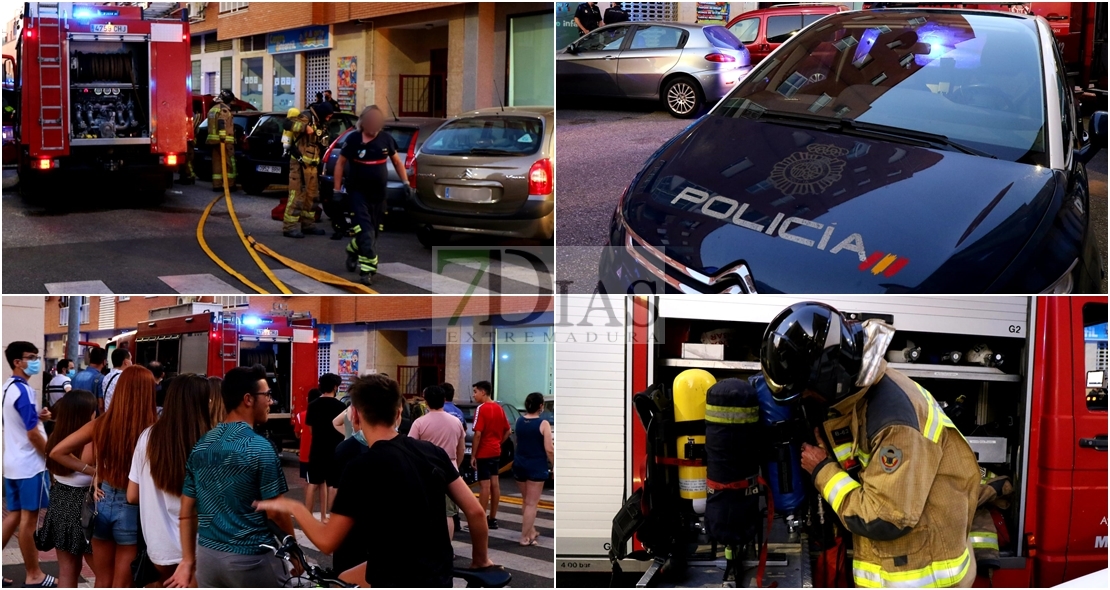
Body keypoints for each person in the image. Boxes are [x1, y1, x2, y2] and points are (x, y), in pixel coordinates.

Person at [763, 302, 980, 589]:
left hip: (923, 577)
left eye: (807, 392)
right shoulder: (864, 391)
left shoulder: (895, 424)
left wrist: (823, 471)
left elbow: (883, 518)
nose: (806, 399)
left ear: (831, 380)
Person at [254, 374, 495, 588]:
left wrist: (294, 508)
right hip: (437, 577)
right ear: (399, 413)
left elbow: (327, 542)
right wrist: (480, 560)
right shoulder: (432, 452)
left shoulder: (361, 466)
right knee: (345, 579)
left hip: (393, 579)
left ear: (355, 415)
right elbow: (475, 512)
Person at [167, 366, 298, 588]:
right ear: (248, 399)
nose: (271, 401)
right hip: (251, 559)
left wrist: (189, 560)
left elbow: (186, 512)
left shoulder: (202, 444)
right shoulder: (260, 447)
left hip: (207, 557)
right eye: (266, 395)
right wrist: (294, 550)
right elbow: (276, 511)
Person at [51, 365, 158, 589]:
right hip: (131, 506)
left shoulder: (102, 423)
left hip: (101, 503)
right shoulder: (152, 429)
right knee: (122, 582)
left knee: (102, 579)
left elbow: (57, 452)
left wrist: (93, 472)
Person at [127, 375, 213, 586]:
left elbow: (132, 495)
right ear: (202, 403)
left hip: (158, 549)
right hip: (199, 548)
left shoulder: (147, 437)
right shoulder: (210, 442)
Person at [334, 105, 412, 286]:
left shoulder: (386, 139)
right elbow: (340, 164)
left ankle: (353, 250)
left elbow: (397, 162)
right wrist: (336, 191)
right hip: (357, 194)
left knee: (373, 233)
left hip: (378, 195)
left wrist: (406, 183)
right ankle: (367, 271)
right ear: (363, 121)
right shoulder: (353, 140)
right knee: (366, 232)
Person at [2, 341, 57, 588]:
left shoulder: (7, 388)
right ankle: (34, 573)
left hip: (12, 463)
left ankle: (33, 572)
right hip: (29, 466)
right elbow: (33, 434)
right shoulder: (23, 391)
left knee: (14, 516)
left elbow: (15, 422)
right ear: (18, 362)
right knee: (29, 520)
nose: (36, 361)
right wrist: (52, 456)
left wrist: (39, 416)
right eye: (31, 357)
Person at [39, 389, 98, 588]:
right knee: (102, 571)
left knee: (67, 571)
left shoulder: (56, 435)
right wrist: (93, 471)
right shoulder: (90, 441)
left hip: (60, 502)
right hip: (84, 506)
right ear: (86, 413)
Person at [409, 386, 466, 541]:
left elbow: (411, 449)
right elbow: (460, 449)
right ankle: (448, 549)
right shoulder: (456, 422)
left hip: (424, 472)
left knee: (425, 511)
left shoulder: (419, 423)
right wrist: (455, 466)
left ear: (426, 401)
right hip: (450, 471)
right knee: (448, 513)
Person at [281, 102, 333, 238]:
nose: (328, 119)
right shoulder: (306, 116)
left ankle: (308, 225)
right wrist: (304, 127)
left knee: (312, 196)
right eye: (327, 116)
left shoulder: (320, 122)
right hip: (299, 166)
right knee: (297, 196)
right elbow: (286, 124)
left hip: (313, 166)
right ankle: (289, 227)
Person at [513, 392, 553, 547]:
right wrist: (554, 465)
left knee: (526, 501)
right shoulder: (543, 424)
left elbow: (518, 442)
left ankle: (531, 531)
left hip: (519, 464)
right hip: (536, 466)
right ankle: (524, 537)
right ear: (541, 406)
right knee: (531, 503)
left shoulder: (519, 421)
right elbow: (549, 449)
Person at [306, 373, 345, 522]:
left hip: (317, 449)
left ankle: (308, 517)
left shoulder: (313, 405)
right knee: (333, 484)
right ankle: (330, 517)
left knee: (313, 483)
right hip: (335, 450)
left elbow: (310, 430)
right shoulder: (341, 406)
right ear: (335, 387)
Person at [471, 380, 510, 530]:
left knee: (484, 486)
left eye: (475, 392)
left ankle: (480, 520)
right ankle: (492, 518)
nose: (474, 395)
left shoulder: (481, 408)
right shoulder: (499, 408)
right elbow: (507, 430)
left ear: (483, 392)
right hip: (495, 451)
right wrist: (498, 442)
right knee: (495, 484)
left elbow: (478, 434)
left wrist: (473, 455)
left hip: (484, 452)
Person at [294, 388, 322, 507]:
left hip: (305, 453)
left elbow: (297, 434)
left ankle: (308, 507)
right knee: (322, 483)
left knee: (308, 482)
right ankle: (323, 511)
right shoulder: (322, 416)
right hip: (319, 451)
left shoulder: (300, 415)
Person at [207, 89, 239, 192]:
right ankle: (230, 185)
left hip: (213, 141)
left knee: (217, 163)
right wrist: (222, 137)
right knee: (229, 163)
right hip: (224, 141)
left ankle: (217, 185)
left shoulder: (213, 109)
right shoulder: (224, 110)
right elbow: (221, 122)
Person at [72, 348, 106, 415]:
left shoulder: (76, 376)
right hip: (91, 419)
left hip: (75, 416)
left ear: (90, 360)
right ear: (104, 362)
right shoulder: (101, 378)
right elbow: (101, 406)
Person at [102, 347, 132, 412]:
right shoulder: (125, 378)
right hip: (119, 417)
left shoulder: (106, 377)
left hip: (108, 415)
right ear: (126, 362)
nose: (131, 362)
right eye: (130, 359)